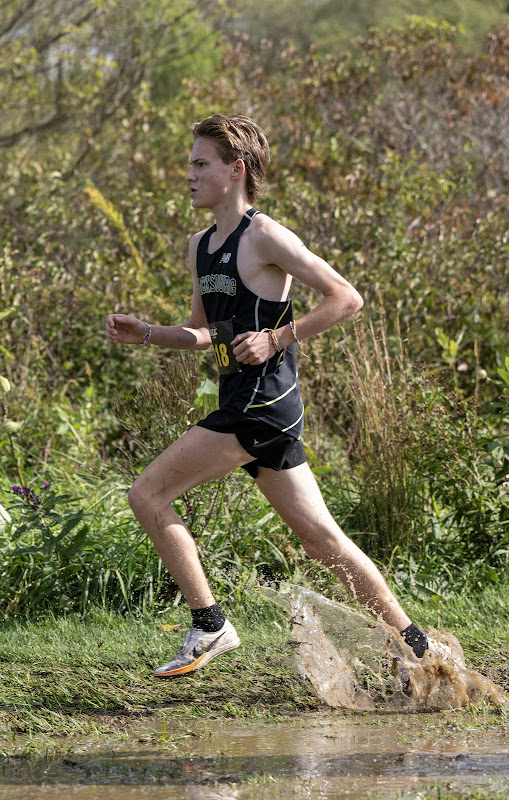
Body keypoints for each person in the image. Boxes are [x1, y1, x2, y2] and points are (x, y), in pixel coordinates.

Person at [105, 113, 448, 677]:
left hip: (260, 405)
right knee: (321, 539)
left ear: (236, 170)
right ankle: (418, 649)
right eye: (188, 163)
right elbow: (205, 331)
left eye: (199, 164)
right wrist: (147, 333)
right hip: (249, 403)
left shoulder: (264, 236)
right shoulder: (199, 246)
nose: (187, 175)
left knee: (146, 494)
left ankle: (210, 626)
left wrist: (278, 337)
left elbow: (346, 298)